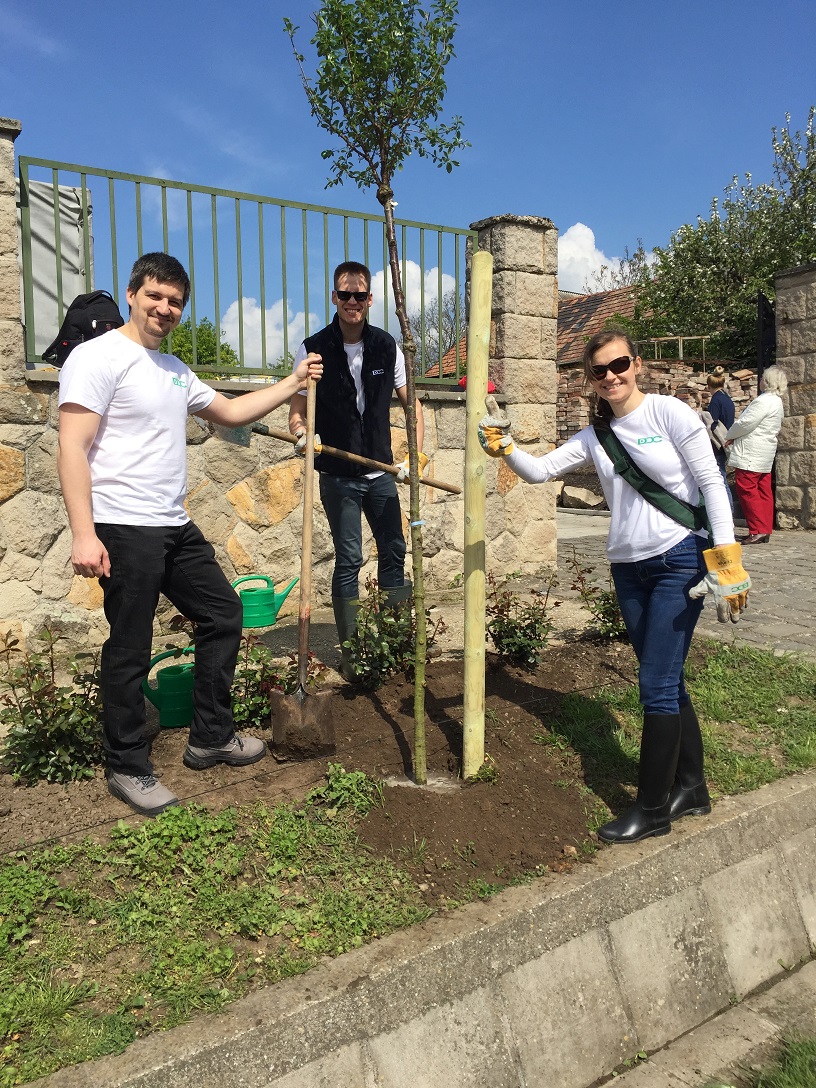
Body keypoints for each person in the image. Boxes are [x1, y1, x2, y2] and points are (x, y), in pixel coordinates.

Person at [58, 252, 323, 816]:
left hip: (173, 524)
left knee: (224, 614)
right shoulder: (96, 357)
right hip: (124, 525)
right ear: (132, 294)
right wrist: (85, 532)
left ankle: (210, 736)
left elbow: (229, 412)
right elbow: (71, 446)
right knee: (130, 647)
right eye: (155, 296)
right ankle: (128, 764)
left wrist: (293, 381)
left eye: (175, 301)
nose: (165, 308)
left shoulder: (175, 369)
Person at [478, 329, 750, 845]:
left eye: (618, 365)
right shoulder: (594, 436)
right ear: (590, 380)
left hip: (680, 562)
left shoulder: (670, 414)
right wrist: (505, 446)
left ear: (637, 364)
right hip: (628, 568)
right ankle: (691, 788)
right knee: (665, 678)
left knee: (655, 687)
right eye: (599, 371)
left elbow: (712, 483)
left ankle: (651, 810)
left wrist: (726, 555)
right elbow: (538, 472)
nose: (611, 377)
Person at [288, 261, 426, 680]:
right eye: (344, 295)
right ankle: (352, 655)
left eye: (360, 295)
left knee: (395, 550)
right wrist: (300, 434)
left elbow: (411, 404)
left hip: (381, 469)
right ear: (334, 297)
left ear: (370, 299)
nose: (352, 302)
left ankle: (394, 642)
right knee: (350, 557)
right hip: (337, 473)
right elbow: (296, 409)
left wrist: (412, 460)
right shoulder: (314, 349)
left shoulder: (387, 346)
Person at [724, 366, 787, 545]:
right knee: (763, 490)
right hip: (765, 451)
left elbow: (745, 423)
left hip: (751, 452)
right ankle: (764, 528)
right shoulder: (777, 401)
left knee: (747, 489)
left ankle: (756, 530)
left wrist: (729, 435)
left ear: (766, 382)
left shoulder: (763, 401)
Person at [702, 366, 735, 510]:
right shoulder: (727, 399)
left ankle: (728, 510)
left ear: (709, 386)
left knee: (720, 479)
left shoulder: (715, 401)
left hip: (717, 444)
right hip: (726, 440)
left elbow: (712, 423)